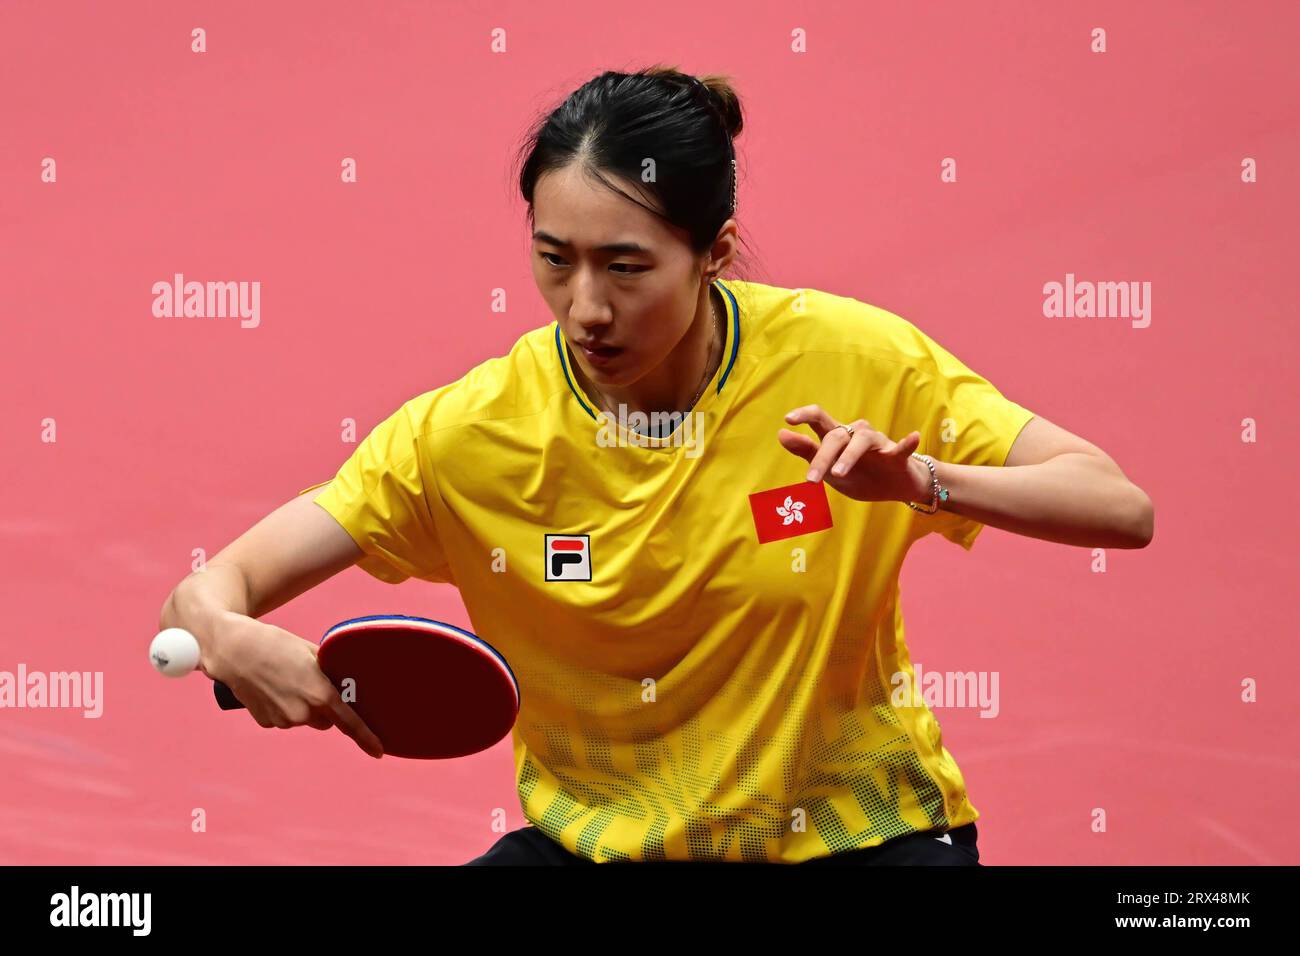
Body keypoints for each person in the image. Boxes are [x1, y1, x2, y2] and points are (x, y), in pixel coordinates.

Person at [159, 65, 1154, 865]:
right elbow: (208, 589)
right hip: (604, 847)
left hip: (860, 837)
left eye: (625, 266)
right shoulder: (470, 436)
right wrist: (227, 633)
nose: (584, 305)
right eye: (554, 258)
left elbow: (1116, 503)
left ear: (714, 251)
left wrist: (923, 481)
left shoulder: (853, 362)